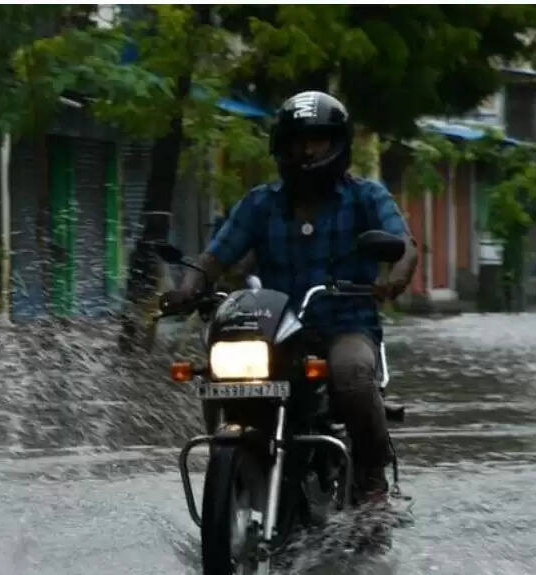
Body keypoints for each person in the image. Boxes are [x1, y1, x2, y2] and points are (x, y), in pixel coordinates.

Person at [162, 91, 418, 500]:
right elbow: (214, 257)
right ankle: (230, 462)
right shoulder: (259, 203)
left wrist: (396, 280)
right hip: (275, 328)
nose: (307, 149)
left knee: (351, 374)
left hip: (345, 326)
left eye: (318, 139)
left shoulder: (367, 197)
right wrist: (186, 290)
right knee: (217, 370)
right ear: (281, 145)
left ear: (339, 143)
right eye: (298, 139)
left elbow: (404, 245)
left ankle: (371, 474)